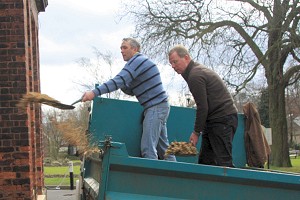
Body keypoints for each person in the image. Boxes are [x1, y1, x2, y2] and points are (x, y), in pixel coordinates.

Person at [82, 38, 176, 161]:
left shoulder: (137, 61)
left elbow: (119, 80)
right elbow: (129, 89)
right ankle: (176, 179)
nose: (121, 51)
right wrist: (122, 84)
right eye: (121, 48)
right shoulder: (140, 63)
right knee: (164, 150)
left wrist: (94, 93)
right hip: (159, 106)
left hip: (155, 107)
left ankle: (151, 179)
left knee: (148, 148)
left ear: (135, 49)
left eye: (125, 47)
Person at [168, 45, 238, 167]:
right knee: (206, 162)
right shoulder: (195, 72)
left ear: (186, 57)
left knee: (224, 162)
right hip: (216, 120)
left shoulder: (195, 75)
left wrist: (196, 132)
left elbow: (202, 107)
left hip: (222, 119)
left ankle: (233, 185)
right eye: (171, 63)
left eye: (175, 62)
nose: (173, 66)